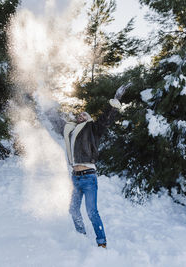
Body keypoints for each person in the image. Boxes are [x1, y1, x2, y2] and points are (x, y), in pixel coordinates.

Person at [61, 83, 131, 248]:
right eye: (79, 115)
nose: (81, 115)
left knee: (92, 212)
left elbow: (106, 118)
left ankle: (102, 242)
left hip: (88, 178)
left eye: (84, 115)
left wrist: (116, 99)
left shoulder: (93, 129)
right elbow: (56, 119)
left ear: (89, 118)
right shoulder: (71, 132)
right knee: (73, 210)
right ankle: (81, 236)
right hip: (75, 178)